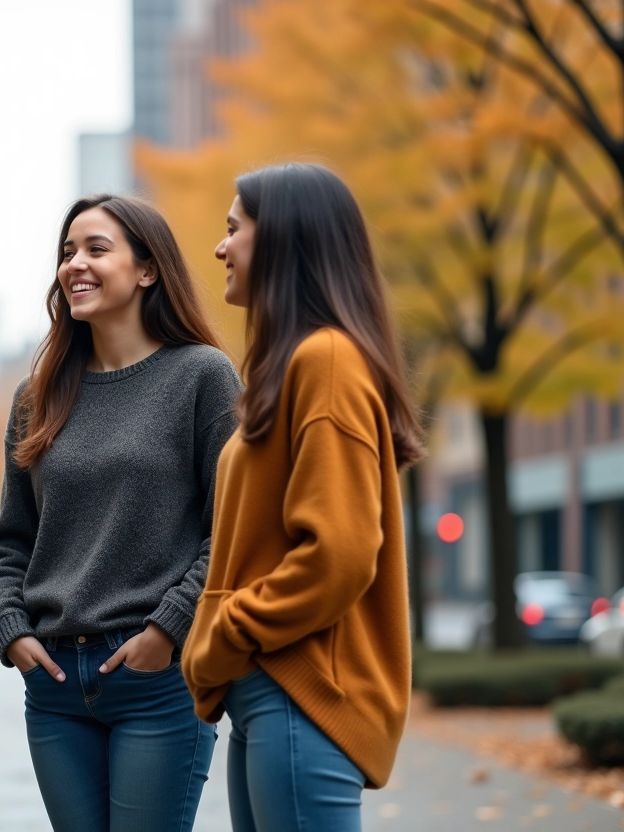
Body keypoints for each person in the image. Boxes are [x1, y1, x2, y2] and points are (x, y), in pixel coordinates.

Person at [0, 194, 243, 832]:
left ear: (147, 269)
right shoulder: (38, 393)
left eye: (96, 249)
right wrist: (10, 627)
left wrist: (170, 629)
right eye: (67, 252)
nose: (75, 263)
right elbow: (12, 540)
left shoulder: (202, 377)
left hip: (155, 681)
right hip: (52, 688)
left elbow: (234, 530)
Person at [181, 163, 425, 832]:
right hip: (272, 693)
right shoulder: (292, 367)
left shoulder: (327, 362)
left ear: (286, 239)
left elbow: (340, 554)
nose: (219, 247)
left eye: (234, 228)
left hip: (298, 689)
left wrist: (228, 631)